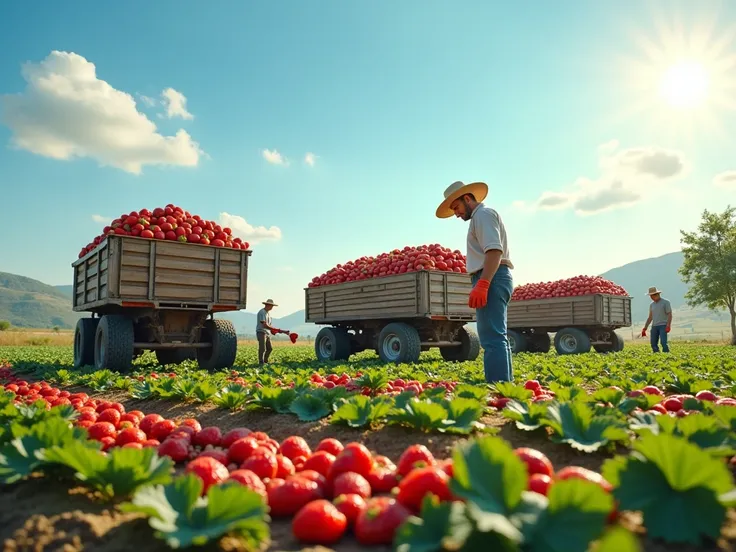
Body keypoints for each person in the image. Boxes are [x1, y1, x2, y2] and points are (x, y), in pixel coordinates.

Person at [436, 180, 514, 383]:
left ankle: (498, 387)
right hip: (494, 276)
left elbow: (494, 250)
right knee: (498, 337)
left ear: (467, 198)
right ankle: (505, 387)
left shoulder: (483, 215)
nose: (456, 213)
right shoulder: (482, 217)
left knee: (492, 339)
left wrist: (484, 283)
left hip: (492, 276)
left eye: (457, 207)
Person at [641, 286, 672, 353]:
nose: (651, 297)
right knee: (653, 344)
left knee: (663, 343)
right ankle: (657, 356)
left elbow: (669, 314)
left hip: (663, 325)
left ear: (657, 294)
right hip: (654, 326)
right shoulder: (652, 305)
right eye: (650, 296)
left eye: (652, 296)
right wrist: (645, 328)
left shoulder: (665, 302)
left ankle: (666, 355)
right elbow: (650, 317)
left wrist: (668, 325)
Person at [256, 298, 278, 365]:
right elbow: (264, 325)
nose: (272, 307)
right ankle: (261, 362)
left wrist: (273, 330)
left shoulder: (268, 314)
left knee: (270, 348)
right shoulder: (262, 312)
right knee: (262, 348)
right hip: (261, 332)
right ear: (267, 305)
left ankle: (265, 361)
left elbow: (269, 325)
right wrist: (274, 329)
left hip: (267, 333)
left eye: (272, 306)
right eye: (271, 306)